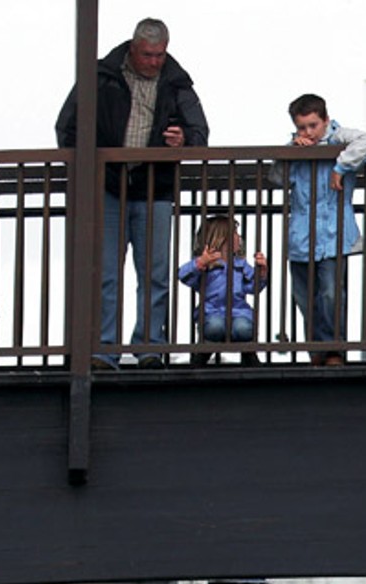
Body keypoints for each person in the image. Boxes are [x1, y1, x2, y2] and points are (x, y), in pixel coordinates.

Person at [55, 17, 210, 368]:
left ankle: (150, 348)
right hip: (107, 186)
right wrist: (87, 171)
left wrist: (184, 139)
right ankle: (102, 349)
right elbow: (68, 127)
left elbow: (200, 131)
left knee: (155, 273)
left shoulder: (176, 82)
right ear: (133, 48)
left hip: (155, 188)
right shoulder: (103, 76)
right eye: (147, 55)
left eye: (159, 55)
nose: (154, 61)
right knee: (105, 273)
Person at [268, 94, 366, 365]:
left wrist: (340, 167)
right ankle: (317, 350)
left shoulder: (339, 138)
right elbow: (277, 178)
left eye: (313, 125)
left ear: (325, 120)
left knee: (330, 292)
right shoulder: (296, 146)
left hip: (334, 234)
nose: (308, 132)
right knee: (304, 297)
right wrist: (292, 151)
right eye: (302, 127)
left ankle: (333, 349)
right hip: (301, 236)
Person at [177, 214, 267, 364]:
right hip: (211, 311)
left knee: (243, 328)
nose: (239, 237)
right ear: (221, 238)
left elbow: (254, 287)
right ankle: (204, 351)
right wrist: (200, 263)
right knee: (215, 327)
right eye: (235, 233)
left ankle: (248, 352)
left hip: (238, 311)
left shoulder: (240, 264)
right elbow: (183, 275)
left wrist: (262, 273)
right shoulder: (207, 264)